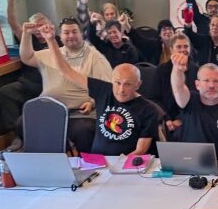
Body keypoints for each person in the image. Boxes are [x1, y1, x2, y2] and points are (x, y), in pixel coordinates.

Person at [37, 27, 158, 156]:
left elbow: (140, 150)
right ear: (112, 81)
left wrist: (120, 165)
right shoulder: (104, 90)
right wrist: (51, 40)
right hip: (96, 161)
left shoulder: (148, 110)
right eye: (117, 83)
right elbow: (66, 71)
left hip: (125, 163)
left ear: (138, 85)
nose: (121, 90)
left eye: (127, 84)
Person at [18, 16, 112, 153]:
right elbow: (27, 57)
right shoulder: (51, 53)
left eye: (74, 32)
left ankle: (86, 164)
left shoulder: (95, 57)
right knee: (23, 122)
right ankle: (47, 160)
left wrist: (92, 102)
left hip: (80, 113)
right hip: (50, 111)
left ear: (82, 34)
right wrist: (26, 34)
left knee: (84, 130)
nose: (71, 36)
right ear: (60, 36)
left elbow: (107, 88)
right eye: (66, 33)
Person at [0, 0, 57, 147]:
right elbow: (12, 23)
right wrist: (10, 0)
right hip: (26, 84)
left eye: (42, 26)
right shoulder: (28, 39)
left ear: (50, 25)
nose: (39, 30)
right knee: (5, 92)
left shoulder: (58, 40)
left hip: (48, 87)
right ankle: (17, 135)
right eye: (35, 27)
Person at [144, 32, 197, 136]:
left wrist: (182, 120)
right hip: (166, 119)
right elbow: (153, 98)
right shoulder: (161, 70)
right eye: (178, 47)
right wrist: (166, 118)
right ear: (171, 49)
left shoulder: (196, 70)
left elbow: (196, 100)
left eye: (186, 46)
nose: (183, 50)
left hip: (190, 119)